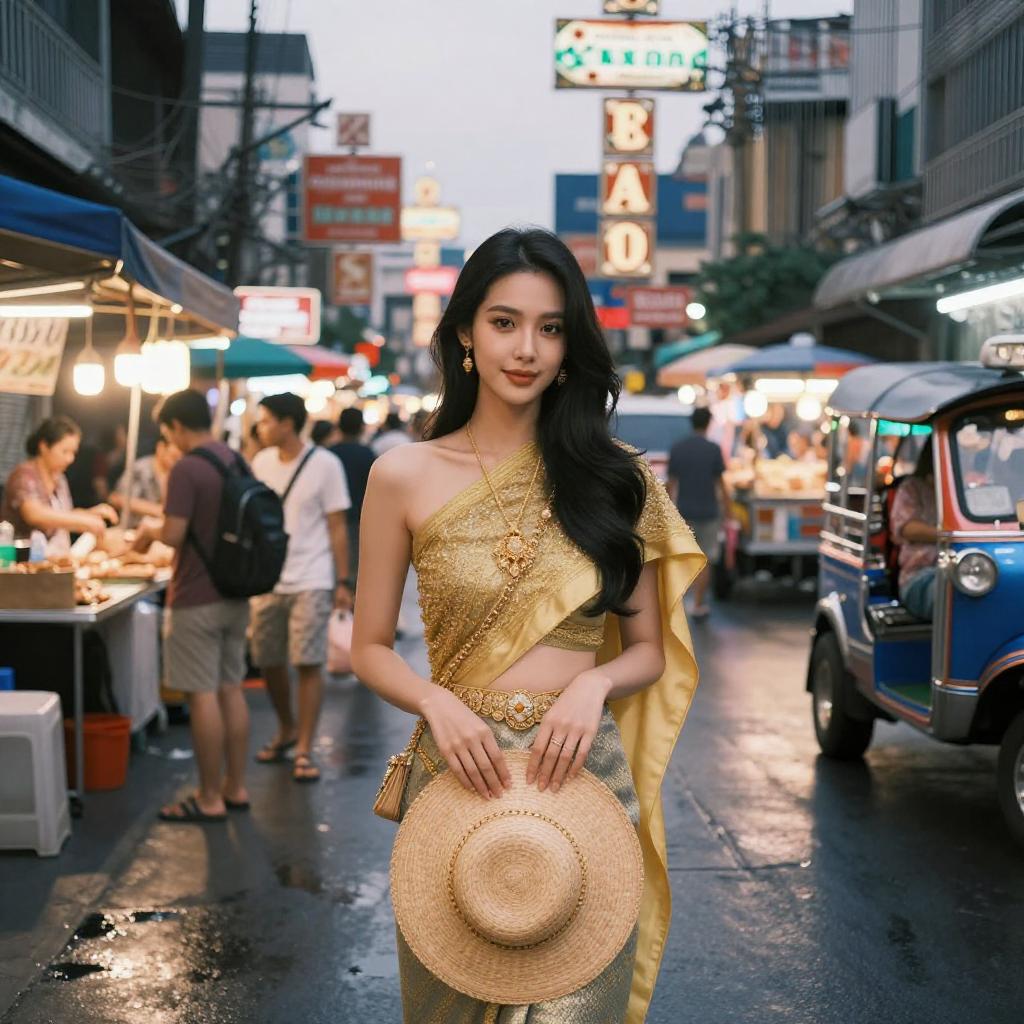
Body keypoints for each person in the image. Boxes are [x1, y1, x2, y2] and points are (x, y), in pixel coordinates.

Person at [351, 228, 704, 1023]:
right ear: (465, 335)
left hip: (580, 775)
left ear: (571, 346)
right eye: (505, 322)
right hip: (455, 776)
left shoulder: (617, 480)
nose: (527, 348)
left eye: (550, 328)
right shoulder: (401, 475)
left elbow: (649, 648)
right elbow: (368, 647)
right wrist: (436, 703)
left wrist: (596, 683)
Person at [133, 390, 251, 823]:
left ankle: (207, 797)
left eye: (168, 431)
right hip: (236, 594)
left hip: (195, 598)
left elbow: (173, 535)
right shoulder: (236, 460)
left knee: (202, 697)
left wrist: (148, 531)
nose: (170, 439)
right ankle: (235, 787)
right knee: (230, 689)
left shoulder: (187, 468)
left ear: (178, 426)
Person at [250, 393, 353, 783]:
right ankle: (286, 728)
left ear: (287, 423)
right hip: (267, 578)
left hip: (312, 576)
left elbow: (337, 526)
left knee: (308, 662)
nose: (260, 428)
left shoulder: (326, 464)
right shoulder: (259, 462)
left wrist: (343, 581)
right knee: (268, 659)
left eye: (265, 421)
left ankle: (305, 746)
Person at [1, 416, 117, 554]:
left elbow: (61, 516)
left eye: (73, 452)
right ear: (44, 447)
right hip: (20, 561)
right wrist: (83, 521)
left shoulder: (60, 479)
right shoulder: (24, 475)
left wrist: (90, 513)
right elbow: (35, 514)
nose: (70, 458)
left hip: (55, 559)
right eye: (64, 451)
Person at [666, 406, 729, 620]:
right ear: (708, 423)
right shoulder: (713, 449)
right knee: (705, 559)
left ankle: (680, 602)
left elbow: (671, 484)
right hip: (709, 512)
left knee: (684, 558)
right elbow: (720, 484)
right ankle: (699, 603)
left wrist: (666, 511)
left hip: (684, 513)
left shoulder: (678, 448)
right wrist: (729, 511)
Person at [890, 438, 938, 620]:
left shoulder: (967, 489)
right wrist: (947, 534)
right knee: (950, 592)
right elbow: (906, 527)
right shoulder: (912, 488)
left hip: (969, 569)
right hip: (920, 575)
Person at [330, 406, 376, 582]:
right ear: (362, 427)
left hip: (332, 521)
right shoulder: (368, 454)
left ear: (339, 427)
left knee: (335, 566)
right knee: (356, 571)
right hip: (359, 521)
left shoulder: (330, 453)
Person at [111, 436, 181, 523]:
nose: (177, 461)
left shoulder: (177, 475)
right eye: (174, 457)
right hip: (134, 528)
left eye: (180, 459)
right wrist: (156, 510)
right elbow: (117, 499)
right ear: (161, 448)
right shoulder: (140, 469)